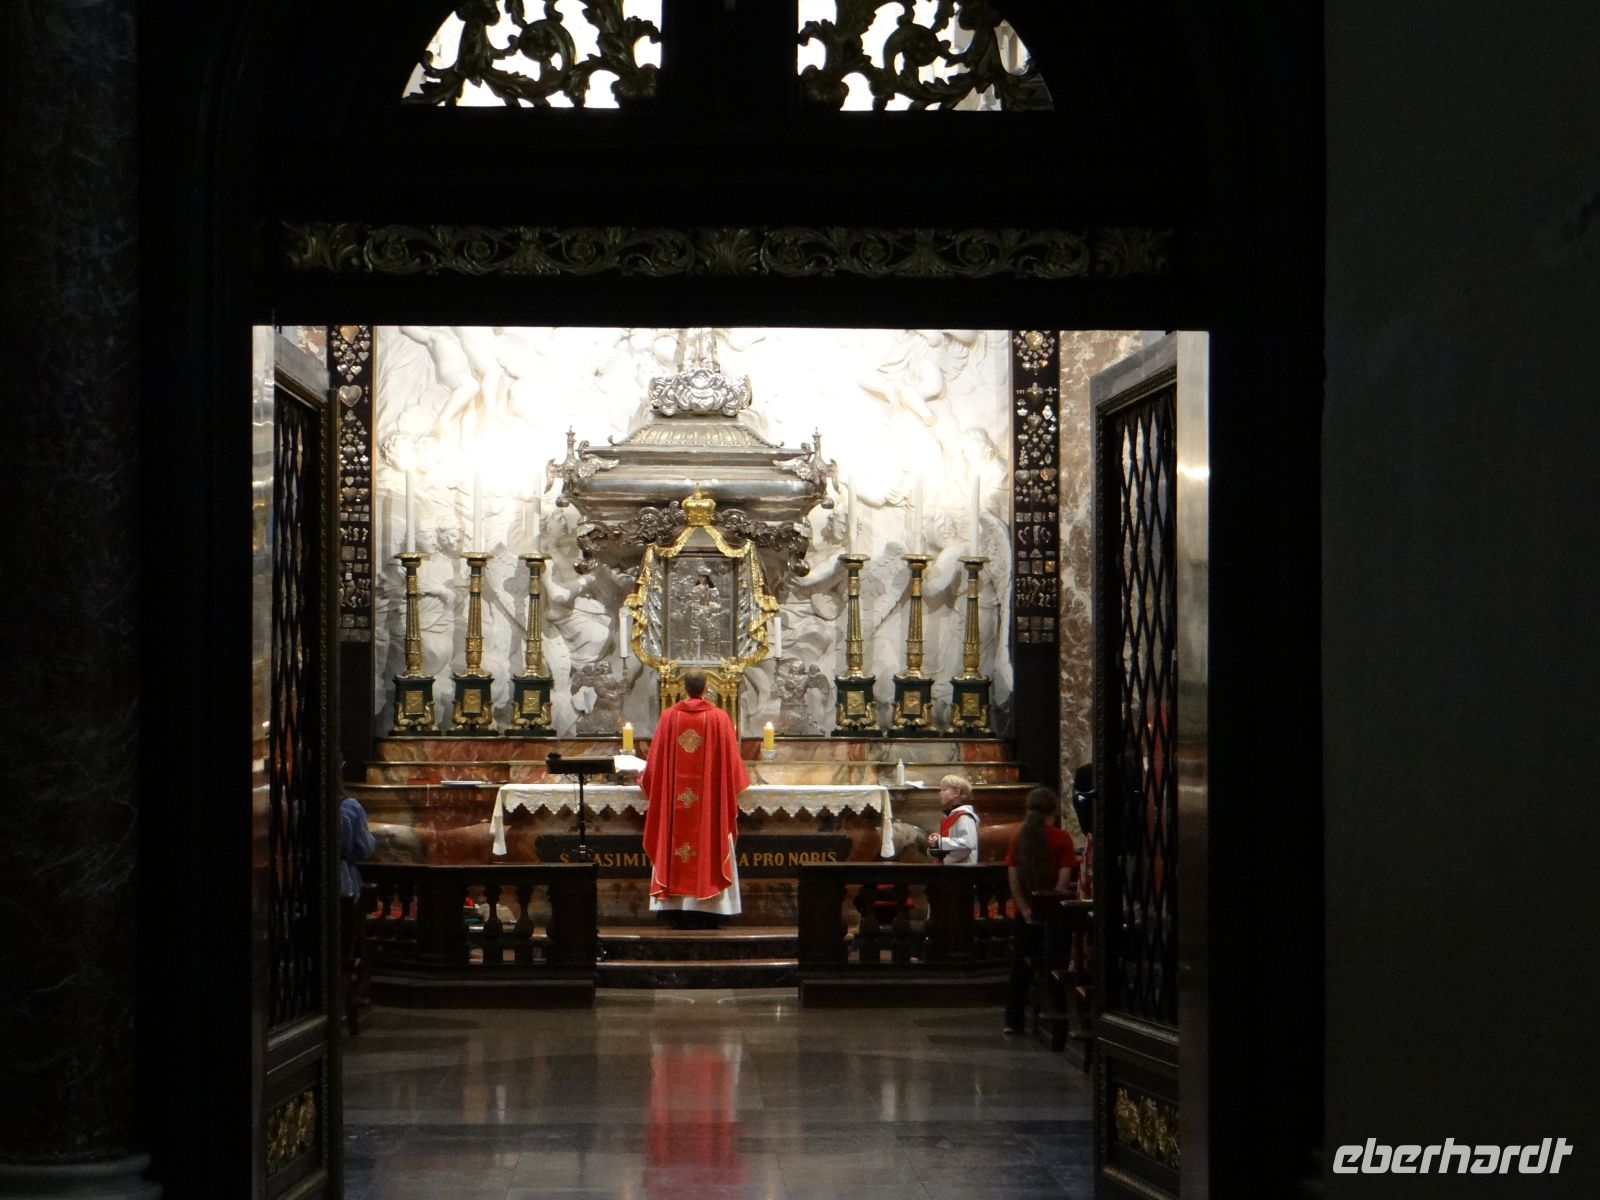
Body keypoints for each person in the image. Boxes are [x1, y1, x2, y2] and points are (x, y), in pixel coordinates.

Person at [640, 670, 749, 928]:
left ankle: (673, 907)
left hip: (674, 807)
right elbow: (734, 770)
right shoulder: (719, 719)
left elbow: (652, 769)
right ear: (707, 687)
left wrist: (642, 778)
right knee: (710, 837)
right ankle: (710, 905)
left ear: (683, 688)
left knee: (673, 839)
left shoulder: (669, 718)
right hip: (709, 807)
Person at [1003, 787, 1079, 1035]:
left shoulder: (1018, 837)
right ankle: (1056, 1016)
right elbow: (1064, 877)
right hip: (1053, 914)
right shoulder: (1061, 838)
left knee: (1020, 968)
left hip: (1024, 913)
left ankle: (1013, 1021)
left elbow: (1012, 876)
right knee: (1055, 962)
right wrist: (1051, 905)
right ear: (1053, 810)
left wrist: (1024, 908)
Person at [337, 793, 377, 1035]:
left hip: (304, 885)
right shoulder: (349, 807)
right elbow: (364, 848)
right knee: (344, 951)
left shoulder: (298, 804)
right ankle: (342, 1010)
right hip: (343, 886)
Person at [927, 774, 979, 864]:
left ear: (956, 793)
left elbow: (967, 844)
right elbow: (951, 841)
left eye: (944, 789)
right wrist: (935, 845)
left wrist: (940, 844)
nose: (940, 793)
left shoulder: (964, 816)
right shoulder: (948, 816)